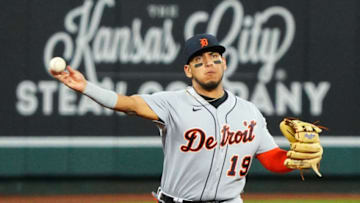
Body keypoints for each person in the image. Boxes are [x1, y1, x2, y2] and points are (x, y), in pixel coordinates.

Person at [50, 33, 322, 203]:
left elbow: (270, 158)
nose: (209, 63)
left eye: (215, 57)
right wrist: (86, 87)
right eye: (199, 60)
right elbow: (129, 104)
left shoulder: (249, 111)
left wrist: (293, 159)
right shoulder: (171, 103)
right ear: (188, 70)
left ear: (224, 64)